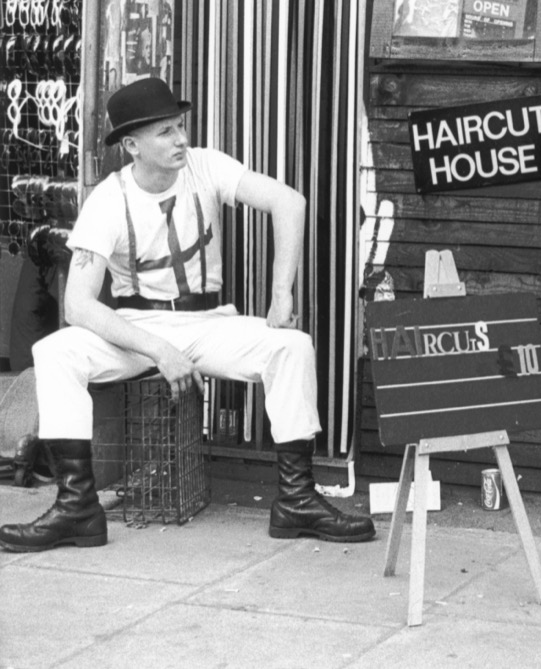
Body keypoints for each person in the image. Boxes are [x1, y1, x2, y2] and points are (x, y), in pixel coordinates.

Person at [0, 77, 375, 552]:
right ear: (132, 145)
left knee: (292, 346)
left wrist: (283, 293)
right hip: (138, 329)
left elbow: (289, 201)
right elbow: (77, 305)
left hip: (209, 322)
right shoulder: (108, 200)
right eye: (165, 132)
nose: (181, 139)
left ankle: (296, 500)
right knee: (54, 351)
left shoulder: (204, 166)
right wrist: (159, 349)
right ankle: (77, 508)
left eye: (180, 126)